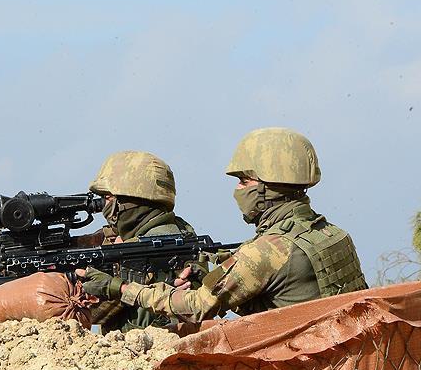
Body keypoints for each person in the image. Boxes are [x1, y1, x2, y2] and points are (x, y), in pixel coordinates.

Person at [79, 128, 367, 322]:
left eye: (244, 181)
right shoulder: (332, 234)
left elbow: (196, 307)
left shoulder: (268, 251)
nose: (237, 190)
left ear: (267, 188)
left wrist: (119, 288)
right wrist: (211, 272)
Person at [87, 151, 201, 331]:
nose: (104, 207)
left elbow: (93, 313)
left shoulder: (149, 245)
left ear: (131, 199)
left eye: (108, 198)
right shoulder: (180, 232)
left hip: (147, 344)